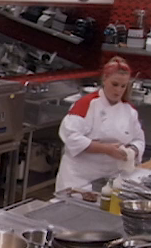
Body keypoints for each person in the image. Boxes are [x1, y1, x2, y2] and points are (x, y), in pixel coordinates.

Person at [55, 56, 145, 191]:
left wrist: (132, 151)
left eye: (123, 86)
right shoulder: (86, 104)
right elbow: (71, 138)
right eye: (115, 84)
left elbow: (139, 140)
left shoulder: (129, 110)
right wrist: (106, 149)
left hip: (111, 179)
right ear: (105, 79)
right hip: (79, 179)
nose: (119, 90)